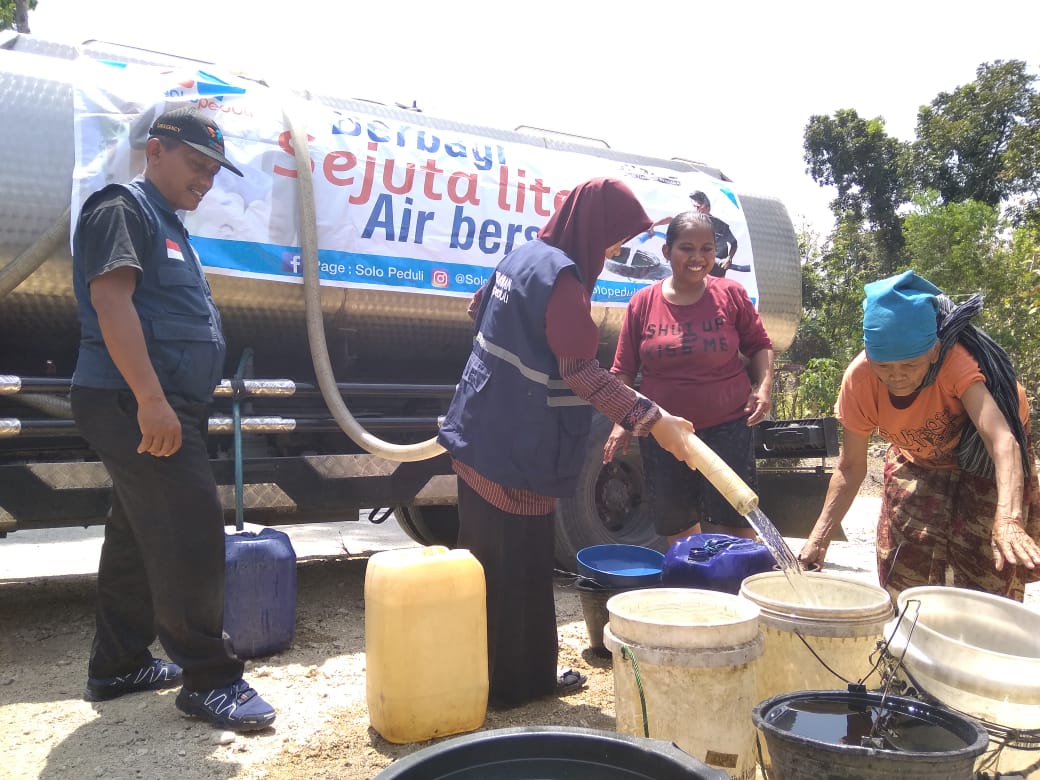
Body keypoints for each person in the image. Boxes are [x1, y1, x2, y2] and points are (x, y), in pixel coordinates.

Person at [437, 178, 694, 709]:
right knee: (520, 571)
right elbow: (582, 373)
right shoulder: (563, 280)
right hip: (515, 448)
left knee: (486, 565)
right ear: (593, 226)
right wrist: (653, 418)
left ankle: (483, 673)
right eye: (614, 238)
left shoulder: (524, 256)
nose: (616, 250)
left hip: (478, 430)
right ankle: (515, 687)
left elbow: (475, 310)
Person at [70, 106, 276, 730]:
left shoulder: (166, 223)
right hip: (134, 400)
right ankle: (209, 679)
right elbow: (111, 300)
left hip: (150, 400)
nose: (206, 180)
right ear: (155, 150)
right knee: (190, 534)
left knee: (136, 536)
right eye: (196, 165)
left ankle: (119, 664)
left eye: (214, 171)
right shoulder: (122, 208)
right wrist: (153, 401)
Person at [798, 270, 1040, 601]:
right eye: (884, 366)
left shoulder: (955, 364)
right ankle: (909, 642)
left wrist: (1009, 519)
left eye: (910, 365)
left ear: (934, 351)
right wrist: (819, 538)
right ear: (869, 355)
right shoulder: (860, 380)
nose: (897, 377)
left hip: (987, 459)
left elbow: (1001, 441)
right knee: (906, 564)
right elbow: (850, 467)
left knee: (985, 564)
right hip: (919, 452)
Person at [605, 210, 775, 543]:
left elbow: (760, 346)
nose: (698, 258)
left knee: (737, 524)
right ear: (667, 253)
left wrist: (764, 387)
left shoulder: (731, 295)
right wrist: (621, 421)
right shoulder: (642, 303)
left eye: (707, 249)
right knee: (678, 531)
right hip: (663, 434)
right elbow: (623, 371)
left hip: (728, 428)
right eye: (687, 248)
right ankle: (691, 591)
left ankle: (733, 590)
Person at [647, 191, 749, 277]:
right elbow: (671, 219)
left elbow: (734, 243)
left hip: (718, 270)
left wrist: (728, 258)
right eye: (695, 207)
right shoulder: (690, 220)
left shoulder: (720, 225)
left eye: (699, 207)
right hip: (698, 269)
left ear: (707, 207)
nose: (696, 210)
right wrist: (654, 225)